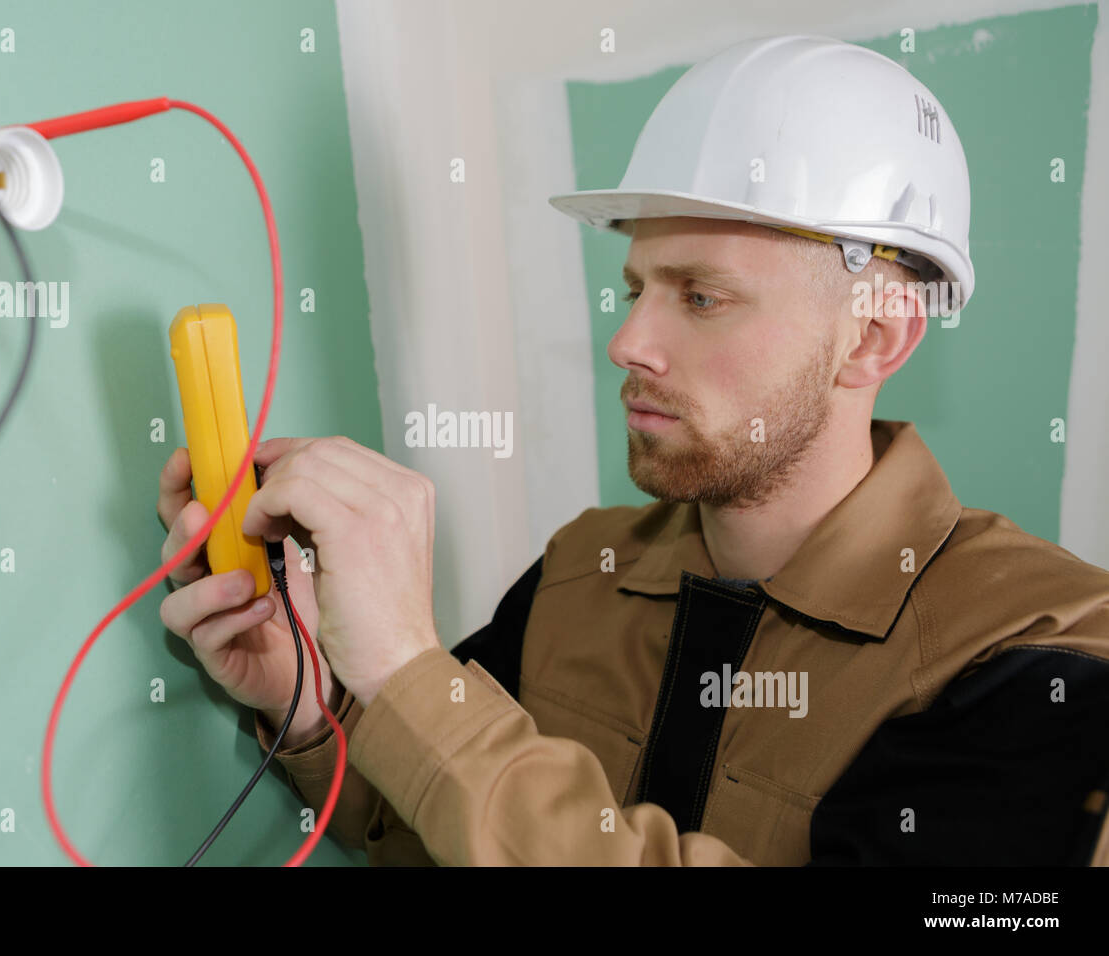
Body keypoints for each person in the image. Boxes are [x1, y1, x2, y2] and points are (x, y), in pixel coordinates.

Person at [156, 34, 1109, 865]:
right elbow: (439, 832)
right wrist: (312, 705)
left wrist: (414, 673)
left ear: (874, 338)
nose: (628, 343)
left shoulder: (1041, 652)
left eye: (700, 296)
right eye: (634, 289)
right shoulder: (582, 573)